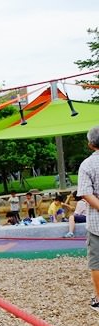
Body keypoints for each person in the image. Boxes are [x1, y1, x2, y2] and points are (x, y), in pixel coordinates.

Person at [76, 125, 99, 311]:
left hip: (97, 223)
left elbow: (85, 193)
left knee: (97, 262)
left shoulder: (87, 165)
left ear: (90, 144)